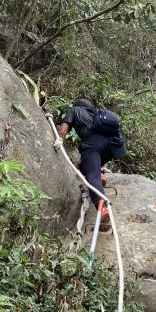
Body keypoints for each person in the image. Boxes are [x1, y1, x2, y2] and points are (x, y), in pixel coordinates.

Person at [56, 98, 123, 232]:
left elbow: (63, 131)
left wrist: (58, 142)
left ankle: (103, 208)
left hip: (93, 145)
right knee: (88, 166)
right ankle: (101, 176)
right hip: (112, 146)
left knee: (91, 176)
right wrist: (77, 163)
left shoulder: (74, 110)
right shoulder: (96, 116)